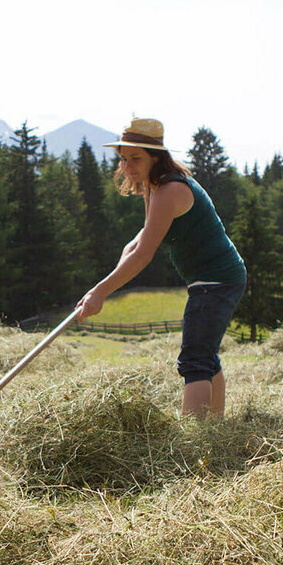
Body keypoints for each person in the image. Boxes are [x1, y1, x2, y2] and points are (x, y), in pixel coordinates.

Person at [76, 118, 246, 419]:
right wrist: (102, 286)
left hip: (217, 280)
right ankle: (215, 427)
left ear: (157, 156)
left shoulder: (170, 191)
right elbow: (140, 240)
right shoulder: (153, 187)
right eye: (123, 159)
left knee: (194, 361)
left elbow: (144, 255)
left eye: (135, 158)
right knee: (204, 355)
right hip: (209, 278)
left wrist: (101, 291)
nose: (127, 166)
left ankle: (192, 441)